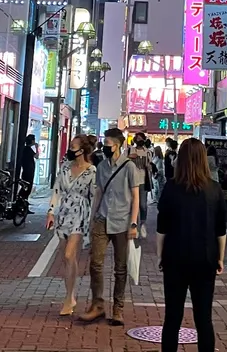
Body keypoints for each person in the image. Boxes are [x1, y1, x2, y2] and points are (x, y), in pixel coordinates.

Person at [157, 138, 226, 352]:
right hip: (205, 259)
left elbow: (162, 228)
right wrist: (220, 258)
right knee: (203, 318)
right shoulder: (214, 189)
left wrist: (161, 257)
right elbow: (220, 230)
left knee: (172, 317)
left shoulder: (171, 187)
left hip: (175, 258)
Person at [83, 127, 141, 325]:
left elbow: (135, 197)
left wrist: (134, 223)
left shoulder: (129, 167)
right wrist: (92, 218)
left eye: (108, 145)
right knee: (95, 263)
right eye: (104, 144)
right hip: (102, 218)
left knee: (120, 268)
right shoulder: (101, 167)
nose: (105, 148)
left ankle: (118, 308)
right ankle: (97, 305)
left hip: (123, 221)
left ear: (117, 146)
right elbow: (98, 192)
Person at [46, 134, 97, 316]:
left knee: (69, 255)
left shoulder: (92, 171)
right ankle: (70, 294)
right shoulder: (65, 167)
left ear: (82, 150)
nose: (70, 149)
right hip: (64, 213)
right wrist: (51, 211)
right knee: (66, 258)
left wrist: (92, 220)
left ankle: (69, 298)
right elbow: (57, 189)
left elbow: (93, 196)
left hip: (80, 214)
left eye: (73, 146)